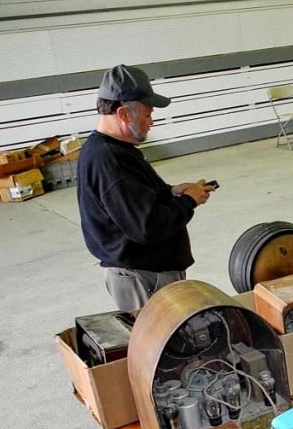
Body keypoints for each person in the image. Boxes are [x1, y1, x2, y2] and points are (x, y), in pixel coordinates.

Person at [77, 64, 215, 313]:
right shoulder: (110, 161)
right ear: (123, 114)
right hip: (144, 280)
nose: (151, 122)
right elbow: (147, 226)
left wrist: (171, 192)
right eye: (147, 114)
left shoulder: (113, 151)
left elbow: (133, 201)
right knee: (163, 347)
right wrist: (188, 202)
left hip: (146, 276)